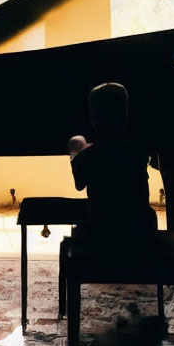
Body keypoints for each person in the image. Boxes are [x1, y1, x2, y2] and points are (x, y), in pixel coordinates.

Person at [69, 82, 157, 237]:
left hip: (101, 230)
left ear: (93, 119)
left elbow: (79, 184)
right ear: (125, 117)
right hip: (137, 232)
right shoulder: (138, 154)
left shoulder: (89, 157)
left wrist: (76, 148)